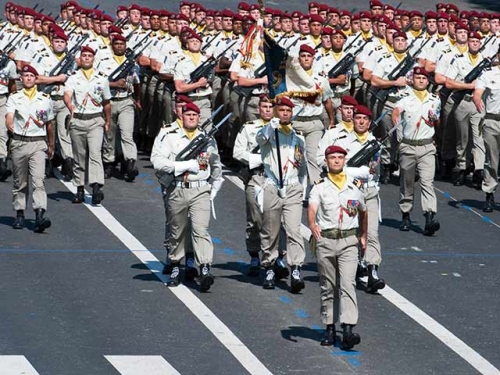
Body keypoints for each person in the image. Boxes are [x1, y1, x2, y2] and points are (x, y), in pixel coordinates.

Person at [150, 102, 223, 292]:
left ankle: (205, 267)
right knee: (177, 231)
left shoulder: (206, 139)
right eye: (188, 114)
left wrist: (214, 187)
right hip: (177, 188)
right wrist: (183, 166)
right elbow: (156, 161)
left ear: (199, 118)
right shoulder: (168, 136)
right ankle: (175, 265)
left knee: (200, 229)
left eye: (195, 115)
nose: (191, 117)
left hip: (200, 190)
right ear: (181, 116)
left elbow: (216, 165)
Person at [307, 144, 367, 349]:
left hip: (348, 241)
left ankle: (348, 328)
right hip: (326, 240)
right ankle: (329, 327)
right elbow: (313, 208)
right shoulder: (319, 186)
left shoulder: (354, 185)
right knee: (328, 286)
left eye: (340, 157)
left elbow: (363, 211)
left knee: (348, 284)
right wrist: (312, 224)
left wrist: (364, 235)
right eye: (332, 158)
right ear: (326, 161)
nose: (336, 161)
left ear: (345, 161)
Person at [255, 97, 307, 293]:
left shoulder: (298, 137)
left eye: (288, 111)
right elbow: (260, 140)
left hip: (292, 187)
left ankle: (295, 269)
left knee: (294, 230)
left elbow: (302, 167)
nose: (285, 113)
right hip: (272, 186)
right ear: (276, 112)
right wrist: (270, 127)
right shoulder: (269, 132)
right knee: (271, 230)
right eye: (282, 110)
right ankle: (269, 265)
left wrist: (303, 190)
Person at [337, 105, 385, 293]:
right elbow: (336, 167)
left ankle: (372, 270)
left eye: (365, 119)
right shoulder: (343, 142)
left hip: (370, 192)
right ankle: (355, 264)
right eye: (358, 118)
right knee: (353, 232)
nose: (361, 122)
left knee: (372, 233)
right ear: (353, 120)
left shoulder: (375, 144)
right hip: (351, 194)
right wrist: (357, 171)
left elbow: (375, 170)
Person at [392, 67, 441, 235]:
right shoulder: (405, 97)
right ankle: (405, 214)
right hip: (408, 146)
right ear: (412, 80)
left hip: (427, 146)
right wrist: (396, 117)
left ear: (428, 81)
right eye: (418, 77)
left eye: (423, 78)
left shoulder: (434, 99)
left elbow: (437, 119)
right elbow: (396, 110)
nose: (420, 80)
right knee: (407, 182)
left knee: (427, 182)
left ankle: (429, 217)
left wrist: (436, 119)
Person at [5, 65, 54, 232]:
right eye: (25, 75)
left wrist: (51, 144)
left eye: (31, 76)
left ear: (36, 79)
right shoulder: (14, 97)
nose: (28, 78)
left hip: (38, 143)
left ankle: (40, 213)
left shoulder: (45, 98)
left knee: (38, 180)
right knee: (20, 182)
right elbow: (9, 115)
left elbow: (48, 123)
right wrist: (10, 123)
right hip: (19, 142)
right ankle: (19, 214)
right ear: (21, 79)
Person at [63, 45, 112, 205]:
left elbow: (106, 102)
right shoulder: (73, 77)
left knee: (95, 153)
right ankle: (79, 188)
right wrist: (70, 106)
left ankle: (97, 186)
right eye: (84, 56)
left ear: (93, 59)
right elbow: (67, 95)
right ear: (80, 58)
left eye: (89, 56)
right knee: (79, 156)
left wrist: (108, 120)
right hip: (78, 120)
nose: (86, 58)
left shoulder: (101, 78)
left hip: (95, 120)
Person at [99, 34, 141, 182]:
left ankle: (130, 162)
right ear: (112, 45)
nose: (119, 46)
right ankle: (109, 162)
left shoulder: (131, 63)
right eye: (116, 44)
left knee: (127, 133)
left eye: (122, 44)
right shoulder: (104, 62)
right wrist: (114, 84)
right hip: (109, 102)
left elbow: (137, 82)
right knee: (109, 135)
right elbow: (99, 82)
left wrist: (137, 99)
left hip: (126, 101)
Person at [473, 47, 500, 212]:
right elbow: (478, 92)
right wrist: (477, 99)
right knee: (492, 159)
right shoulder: (488, 74)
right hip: (492, 121)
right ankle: (489, 193)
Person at [0, 46, 18, 182]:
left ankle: (2, 162)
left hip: (2, 98)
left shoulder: (9, 63)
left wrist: (14, 99)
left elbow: (12, 82)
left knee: (2, 131)